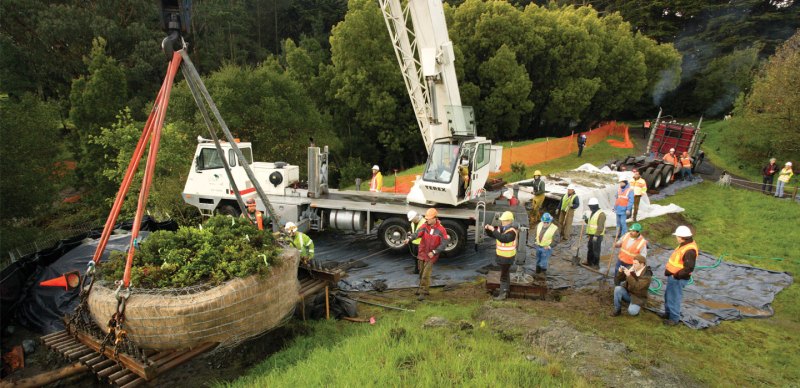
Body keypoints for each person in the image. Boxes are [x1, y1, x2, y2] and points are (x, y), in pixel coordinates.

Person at [405, 208, 448, 301]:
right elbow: (417, 234)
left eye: (428, 218)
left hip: (431, 255)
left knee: (425, 274)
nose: (426, 219)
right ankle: (422, 288)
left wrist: (434, 252)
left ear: (434, 218)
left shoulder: (441, 230)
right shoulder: (425, 226)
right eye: (426, 218)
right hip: (422, 252)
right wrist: (409, 239)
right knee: (421, 272)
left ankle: (423, 292)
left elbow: (444, 244)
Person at [662, 225, 698, 326]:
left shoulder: (689, 250)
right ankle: (668, 313)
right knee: (668, 296)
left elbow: (688, 268)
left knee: (674, 298)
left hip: (678, 278)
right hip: (674, 277)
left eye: (677, 236)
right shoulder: (684, 244)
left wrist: (676, 276)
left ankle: (673, 319)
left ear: (682, 237)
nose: (676, 238)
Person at [485, 211, 518, 300]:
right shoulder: (501, 228)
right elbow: (493, 235)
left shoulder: (512, 232)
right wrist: (487, 229)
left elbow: (503, 239)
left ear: (509, 221)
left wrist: (493, 230)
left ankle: (502, 294)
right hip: (501, 257)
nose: (502, 222)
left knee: (503, 276)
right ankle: (506, 291)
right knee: (505, 274)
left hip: (507, 258)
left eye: (504, 220)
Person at [533, 213, 558, 277]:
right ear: (542, 221)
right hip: (538, 246)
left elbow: (556, 239)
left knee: (544, 261)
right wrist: (535, 241)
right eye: (544, 222)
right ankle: (537, 272)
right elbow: (535, 233)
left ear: (550, 221)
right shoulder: (539, 225)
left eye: (547, 222)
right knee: (538, 259)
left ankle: (542, 275)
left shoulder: (554, 228)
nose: (545, 224)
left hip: (546, 248)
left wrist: (550, 246)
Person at [582, 197, 605, 269]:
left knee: (596, 250)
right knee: (590, 248)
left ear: (594, 206)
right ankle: (589, 261)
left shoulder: (601, 214)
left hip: (597, 236)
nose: (590, 208)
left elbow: (600, 227)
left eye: (590, 206)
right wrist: (586, 219)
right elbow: (590, 222)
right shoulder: (593, 212)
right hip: (591, 234)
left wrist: (596, 235)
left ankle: (596, 264)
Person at [614, 176, 634, 240]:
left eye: (621, 183)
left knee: (623, 222)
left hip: (624, 210)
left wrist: (628, 209)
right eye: (620, 183)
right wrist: (615, 207)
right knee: (618, 222)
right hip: (618, 209)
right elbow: (617, 199)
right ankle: (617, 234)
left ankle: (624, 236)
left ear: (625, 183)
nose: (620, 184)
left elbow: (631, 201)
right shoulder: (619, 189)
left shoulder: (630, 190)